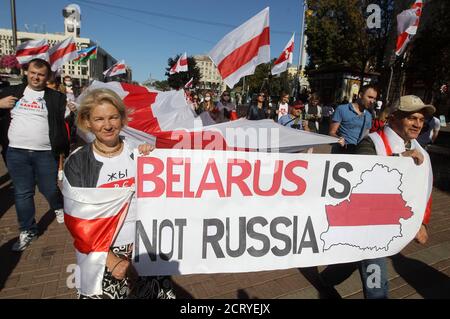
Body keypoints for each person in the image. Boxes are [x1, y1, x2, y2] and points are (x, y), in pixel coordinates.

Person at [64, 88, 176, 299]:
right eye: (99, 119)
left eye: (113, 117)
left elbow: (164, 199)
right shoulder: (78, 162)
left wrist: (154, 160)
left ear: (122, 118)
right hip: (101, 252)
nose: (107, 125)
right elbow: (77, 222)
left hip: (145, 247)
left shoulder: (140, 153)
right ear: (87, 122)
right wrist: (111, 260)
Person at [320, 95, 435, 299]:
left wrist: (423, 222)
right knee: (377, 288)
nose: (418, 124)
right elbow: (359, 176)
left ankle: (327, 279)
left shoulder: (421, 152)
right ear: (393, 118)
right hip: (369, 227)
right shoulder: (371, 142)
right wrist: (398, 160)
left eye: (421, 119)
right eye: (411, 118)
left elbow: (424, 189)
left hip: (393, 224)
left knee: (355, 258)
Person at [0, 58, 70, 251]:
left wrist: (73, 112)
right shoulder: (11, 93)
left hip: (45, 153)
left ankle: (58, 206)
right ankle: (28, 230)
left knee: (49, 188)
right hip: (16, 153)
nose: (36, 77)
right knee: (23, 193)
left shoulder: (55, 97)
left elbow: (67, 120)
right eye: (33, 73)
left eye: (40, 74)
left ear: (46, 77)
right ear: (26, 73)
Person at [329, 84, 378, 154]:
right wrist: (339, 139)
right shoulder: (342, 109)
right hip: (341, 152)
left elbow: (365, 136)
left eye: (374, 98)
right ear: (360, 95)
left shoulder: (368, 115)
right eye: (370, 97)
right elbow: (331, 132)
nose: (372, 101)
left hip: (358, 154)